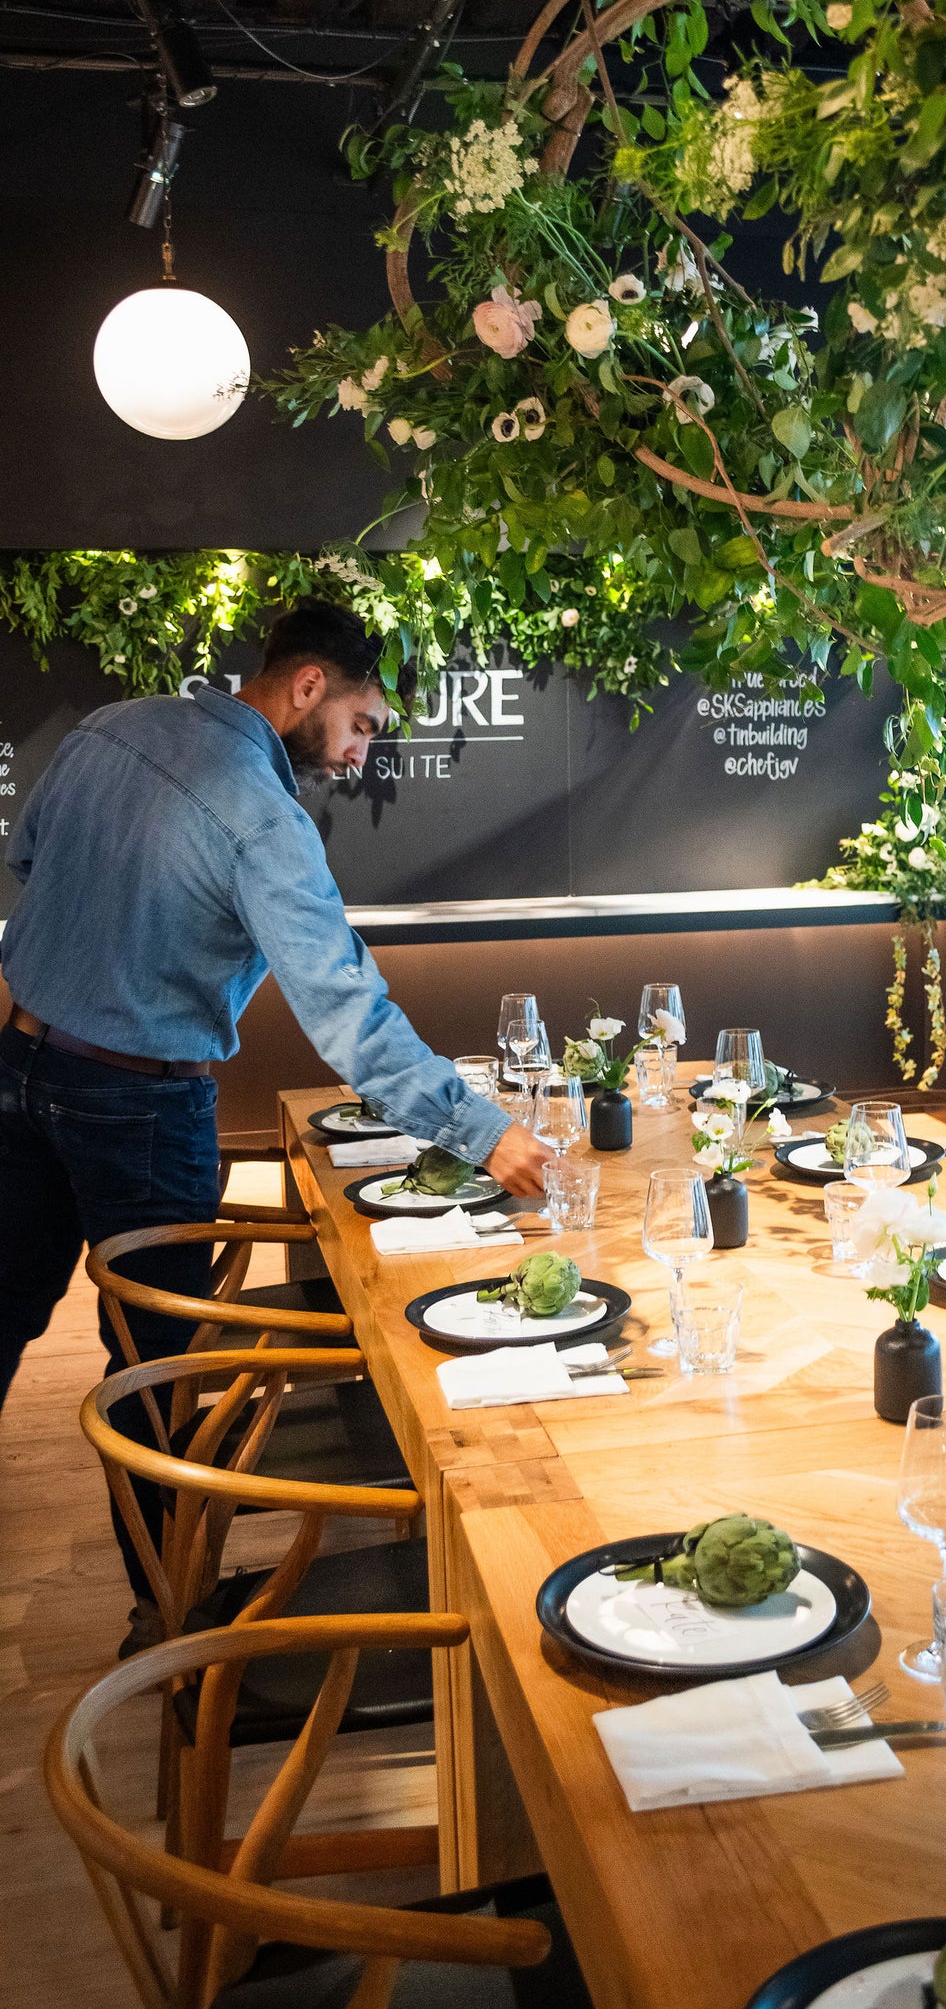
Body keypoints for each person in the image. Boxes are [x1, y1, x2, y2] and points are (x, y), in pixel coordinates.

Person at [0, 600, 550, 1640]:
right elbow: (347, 1012)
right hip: (141, 1099)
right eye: (360, 725)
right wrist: (487, 1132)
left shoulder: (106, 725)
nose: (356, 754)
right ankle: (170, 1623)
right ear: (307, 688)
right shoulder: (260, 814)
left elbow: (31, 861)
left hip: (16, 1061)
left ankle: (166, 1602)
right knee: (157, 1369)